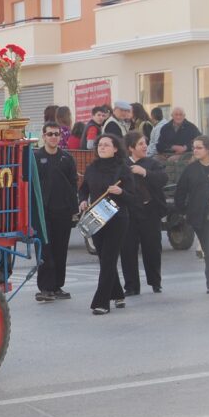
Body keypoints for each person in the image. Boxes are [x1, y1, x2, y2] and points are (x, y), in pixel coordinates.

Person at [78, 133, 134, 315]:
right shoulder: (92, 168)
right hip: (96, 217)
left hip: (117, 218)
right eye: (100, 145)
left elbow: (133, 197)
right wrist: (83, 201)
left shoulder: (123, 169)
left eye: (106, 145)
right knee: (104, 259)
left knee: (109, 259)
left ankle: (101, 302)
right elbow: (84, 188)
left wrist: (120, 191)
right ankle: (117, 293)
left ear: (115, 148)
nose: (101, 147)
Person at [174, 135, 209, 296]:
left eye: (199, 148)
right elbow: (181, 191)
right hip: (198, 216)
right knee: (207, 249)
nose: (195, 151)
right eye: (194, 147)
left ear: (208, 149)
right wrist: (182, 210)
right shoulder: (191, 169)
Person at [34, 121, 79, 302]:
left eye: (56, 134)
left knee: (61, 250)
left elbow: (73, 183)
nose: (53, 137)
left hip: (63, 211)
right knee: (45, 250)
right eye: (50, 134)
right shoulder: (35, 158)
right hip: (43, 213)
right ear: (43, 136)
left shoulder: (67, 159)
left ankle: (57, 286)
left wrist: (74, 209)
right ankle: (45, 287)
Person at [120, 131, 167, 296]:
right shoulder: (122, 165)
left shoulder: (152, 163)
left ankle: (155, 282)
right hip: (129, 213)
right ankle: (131, 285)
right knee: (127, 250)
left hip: (149, 211)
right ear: (131, 148)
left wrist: (144, 172)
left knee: (153, 248)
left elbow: (163, 179)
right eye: (140, 144)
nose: (145, 146)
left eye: (145, 143)